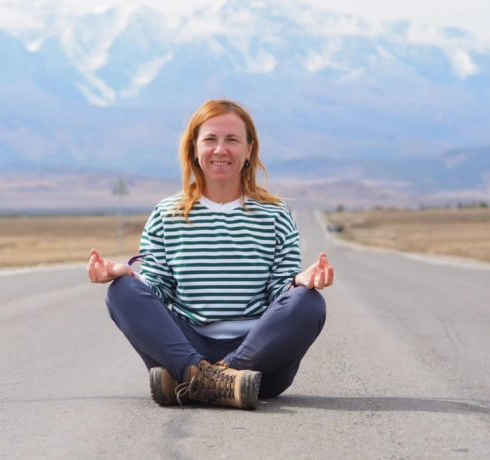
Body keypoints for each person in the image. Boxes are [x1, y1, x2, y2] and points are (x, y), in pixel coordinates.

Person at [87, 99, 334, 410]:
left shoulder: (275, 214)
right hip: (187, 347)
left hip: (259, 358)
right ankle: (213, 380)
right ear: (194, 148)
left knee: (310, 302)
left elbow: (279, 293)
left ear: (249, 150)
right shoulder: (167, 213)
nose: (220, 149)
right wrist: (127, 275)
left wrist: (299, 282)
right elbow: (158, 288)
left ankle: (193, 382)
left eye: (232, 140)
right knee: (121, 290)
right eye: (210, 139)